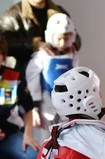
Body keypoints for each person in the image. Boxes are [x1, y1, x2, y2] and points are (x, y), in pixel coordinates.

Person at [26, 13, 78, 144]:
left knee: (66, 137)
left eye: (66, 39)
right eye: (59, 38)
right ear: (50, 36)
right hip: (45, 104)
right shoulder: (42, 56)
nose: (62, 43)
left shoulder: (73, 55)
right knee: (45, 139)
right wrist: (35, 108)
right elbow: (32, 81)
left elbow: (77, 78)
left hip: (67, 105)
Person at [0, 0, 81, 76]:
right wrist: (34, 45)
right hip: (23, 78)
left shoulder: (59, 12)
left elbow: (76, 38)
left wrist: (71, 43)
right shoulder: (11, 15)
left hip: (58, 74)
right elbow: (4, 45)